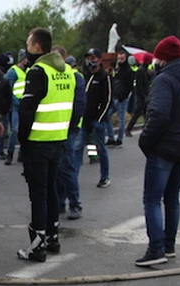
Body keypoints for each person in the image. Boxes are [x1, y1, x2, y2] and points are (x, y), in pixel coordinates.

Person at [135, 36, 180, 267]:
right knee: (172, 198)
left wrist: (145, 141)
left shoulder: (164, 80)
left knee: (152, 199)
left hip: (164, 147)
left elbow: (158, 115)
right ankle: (169, 245)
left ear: (162, 58)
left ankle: (156, 249)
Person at [17, 28, 77, 262]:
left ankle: (36, 246)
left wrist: (23, 140)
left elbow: (27, 110)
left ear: (36, 47)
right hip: (58, 139)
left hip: (38, 142)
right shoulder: (67, 73)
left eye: (28, 44)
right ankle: (52, 237)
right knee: (51, 189)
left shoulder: (38, 72)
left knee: (38, 194)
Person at [54, 45, 87, 220]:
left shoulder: (75, 77)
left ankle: (75, 204)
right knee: (57, 168)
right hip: (55, 129)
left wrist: (72, 125)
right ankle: (59, 203)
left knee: (67, 167)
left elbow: (80, 104)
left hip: (69, 129)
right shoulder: (52, 76)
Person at [81, 48, 112, 187]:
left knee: (101, 148)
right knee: (77, 148)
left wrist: (101, 118)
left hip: (97, 120)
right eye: (88, 58)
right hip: (84, 119)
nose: (90, 61)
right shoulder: (85, 75)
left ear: (99, 60)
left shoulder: (104, 77)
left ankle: (105, 177)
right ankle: (72, 177)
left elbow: (108, 99)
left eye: (93, 58)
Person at [5, 50, 29, 165]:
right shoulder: (13, 72)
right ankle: (10, 153)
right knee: (14, 129)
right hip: (16, 105)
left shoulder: (29, 70)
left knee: (26, 130)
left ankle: (22, 154)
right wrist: (15, 101)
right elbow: (8, 90)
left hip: (27, 104)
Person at [107, 49, 134, 146]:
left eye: (122, 59)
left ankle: (119, 139)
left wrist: (123, 96)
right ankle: (111, 137)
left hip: (121, 98)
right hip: (115, 96)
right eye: (118, 58)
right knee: (107, 116)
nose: (119, 60)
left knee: (120, 118)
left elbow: (129, 86)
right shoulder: (117, 69)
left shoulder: (128, 71)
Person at [126, 54, 154, 135]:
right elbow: (139, 85)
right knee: (137, 113)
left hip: (144, 94)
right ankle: (128, 129)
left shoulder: (144, 70)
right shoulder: (141, 70)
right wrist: (143, 95)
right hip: (141, 95)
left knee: (145, 113)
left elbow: (146, 82)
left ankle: (145, 129)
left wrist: (150, 75)